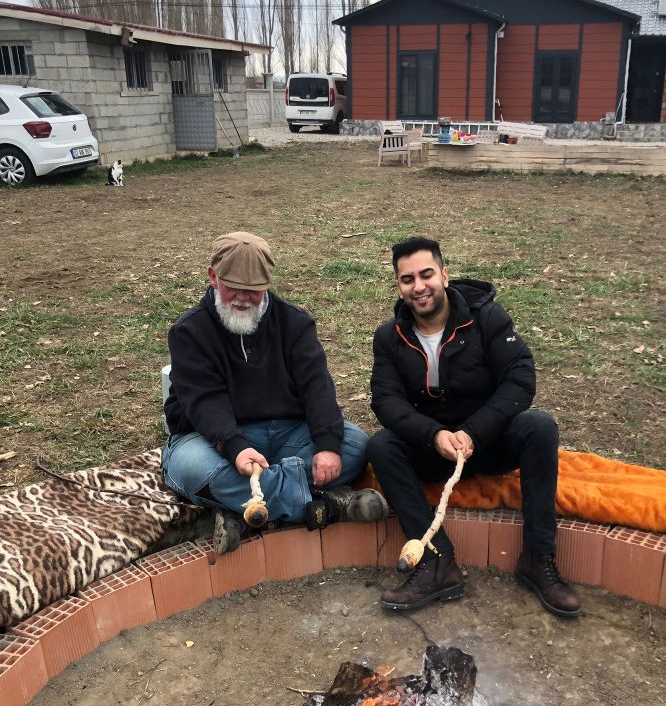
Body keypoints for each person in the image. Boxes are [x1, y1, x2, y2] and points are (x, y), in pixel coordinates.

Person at [367, 236, 579, 618]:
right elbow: (386, 401)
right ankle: (437, 562)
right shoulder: (389, 337)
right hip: (434, 451)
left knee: (539, 427)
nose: (418, 287)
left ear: (445, 276)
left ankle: (538, 558)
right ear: (398, 286)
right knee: (382, 446)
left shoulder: (487, 318)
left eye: (427, 275)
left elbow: (520, 378)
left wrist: (474, 432)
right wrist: (434, 435)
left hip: (488, 443)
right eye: (407, 279)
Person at [162, 231, 387, 552]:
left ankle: (246, 510)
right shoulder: (189, 331)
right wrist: (235, 447)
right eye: (233, 287)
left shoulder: (295, 322)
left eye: (253, 290)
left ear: (267, 283)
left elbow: (317, 387)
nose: (242, 298)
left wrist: (327, 445)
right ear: (213, 277)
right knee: (193, 468)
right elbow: (205, 401)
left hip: (287, 435)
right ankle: (327, 507)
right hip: (213, 439)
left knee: (353, 446)